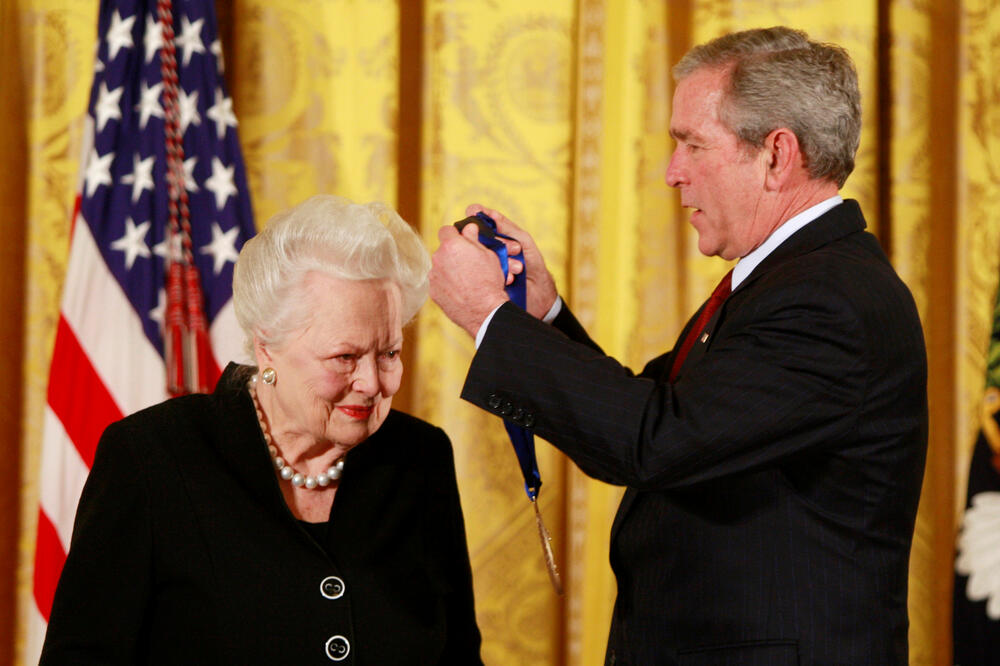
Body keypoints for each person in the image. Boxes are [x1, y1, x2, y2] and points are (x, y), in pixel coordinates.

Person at [430, 26, 927, 665]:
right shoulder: (797, 277)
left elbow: (656, 441)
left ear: (776, 154)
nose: (672, 173)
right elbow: (661, 408)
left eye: (692, 144)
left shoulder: (828, 298)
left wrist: (489, 320)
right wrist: (541, 317)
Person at [41, 195, 483, 664]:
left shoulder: (421, 458)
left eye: (388, 353)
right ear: (267, 346)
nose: (372, 383)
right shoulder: (151, 460)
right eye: (345, 357)